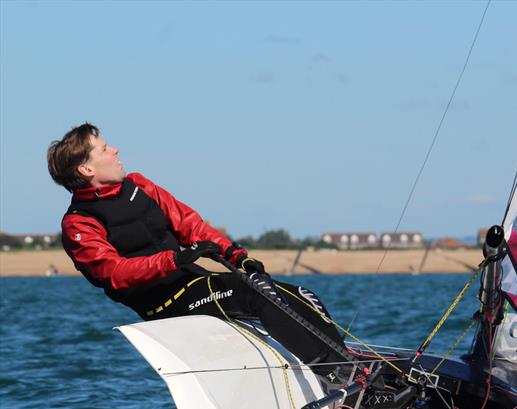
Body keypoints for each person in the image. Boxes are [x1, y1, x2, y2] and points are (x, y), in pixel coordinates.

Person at [48, 123, 351, 380]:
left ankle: (352, 368)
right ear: (86, 168)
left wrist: (237, 255)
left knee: (302, 293)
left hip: (197, 282)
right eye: (104, 149)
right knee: (258, 294)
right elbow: (115, 274)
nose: (115, 150)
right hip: (167, 305)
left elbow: (190, 225)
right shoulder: (79, 223)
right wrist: (175, 258)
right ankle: (337, 376)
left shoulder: (138, 184)